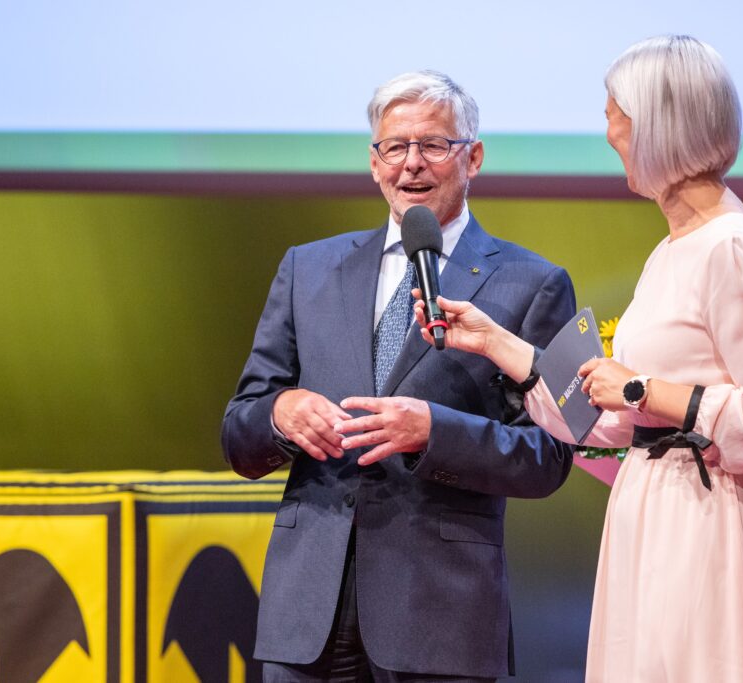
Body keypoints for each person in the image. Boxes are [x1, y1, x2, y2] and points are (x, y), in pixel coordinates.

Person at [415, 37, 743, 682]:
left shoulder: (733, 248)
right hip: (655, 511)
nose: (608, 132)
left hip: (708, 523)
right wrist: (496, 342)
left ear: (662, 125)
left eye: (616, 114)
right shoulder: (673, 251)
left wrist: (643, 391)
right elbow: (607, 420)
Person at [221, 70, 577, 682]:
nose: (412, 164)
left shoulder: (534, 283)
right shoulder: (309, 268)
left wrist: (434, 431)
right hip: (307, 614)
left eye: (434, 145)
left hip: (439, 616)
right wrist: (279, 416)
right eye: (395, 147)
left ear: (474, 157)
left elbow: (551, 455)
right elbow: (239, 432)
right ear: (374, 162)